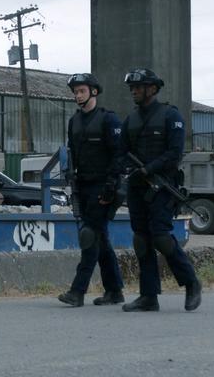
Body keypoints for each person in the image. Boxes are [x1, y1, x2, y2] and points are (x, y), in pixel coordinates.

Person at [120, 68, 202, 312]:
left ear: (152, 89)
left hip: (161, 186)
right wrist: (127, 170)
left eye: (139, 86)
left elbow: (174, 154)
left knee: (162, 238)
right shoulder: (130, 119)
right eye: (132, 87)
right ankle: (148, 296)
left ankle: (191, 283)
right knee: (141, 239)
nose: (134, 91)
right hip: (137, 188)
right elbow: (121, 152)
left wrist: (148, 169)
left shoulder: (170, 115)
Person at [57, 73, 125, 307]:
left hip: (102, 187)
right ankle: (115, 290)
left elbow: (119, 155)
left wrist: (110, 187)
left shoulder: (109, 120)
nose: (77, 95)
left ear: (93, 92)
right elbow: (72, 153)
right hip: (82, 186)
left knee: (90, 237)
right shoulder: (74, 121)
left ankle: (77, 291)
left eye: (82, 91)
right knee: (101, 239)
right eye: (75, 92)